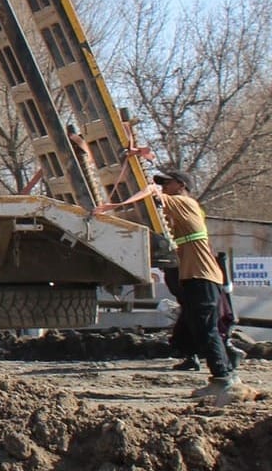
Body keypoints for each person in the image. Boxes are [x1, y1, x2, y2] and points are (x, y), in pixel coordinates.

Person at [96, 169, 235, 397]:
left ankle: (223, 377)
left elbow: (152, 195)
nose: (163, 188)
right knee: (199, 328)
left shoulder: (184, 202)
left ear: (180, 185)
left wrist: (129, 194)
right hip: (195, 277)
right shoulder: (181, 211)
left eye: (167, 183)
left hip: (202, 277)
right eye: (162, 184)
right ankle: (224, 373)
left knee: (206, 329)